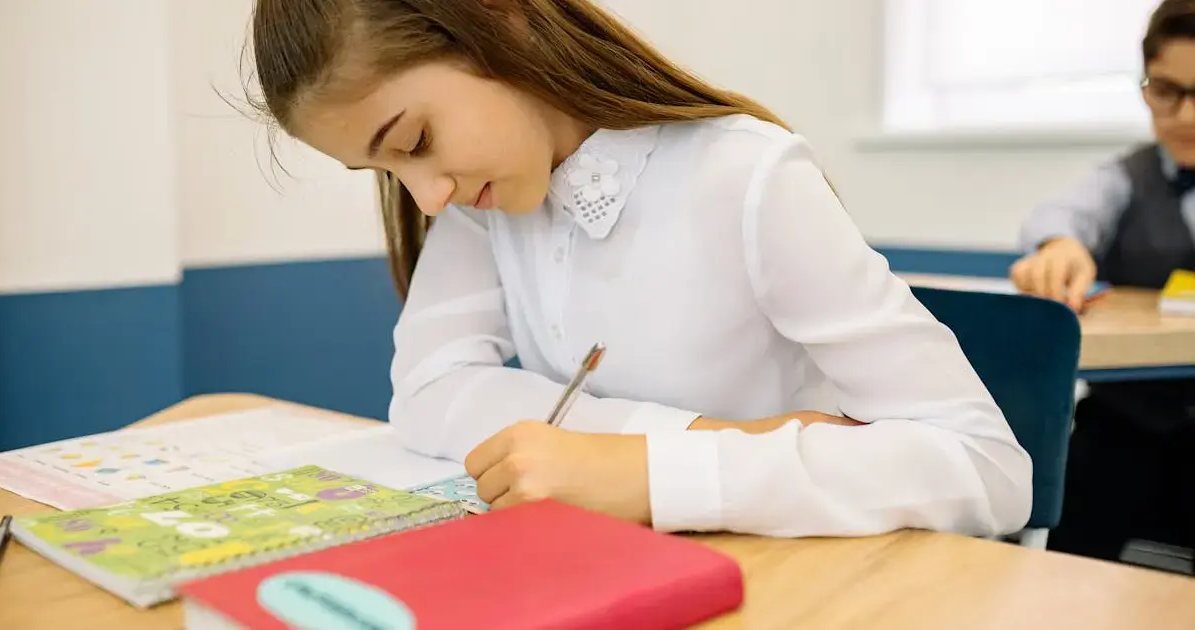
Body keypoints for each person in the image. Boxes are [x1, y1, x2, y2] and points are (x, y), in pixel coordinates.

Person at [247, 0, 1032, 538]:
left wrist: (653, 473)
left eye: (415, 140)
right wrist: (694, 439)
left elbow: (987, 469)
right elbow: (426, 392)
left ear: (499, 18)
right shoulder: (476, 204)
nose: (426, 196)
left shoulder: (744, 177)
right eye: (385, 172)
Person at [1011, 0, 1195, 563]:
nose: (1185, 116)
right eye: (1166, 91)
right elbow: (1061, 215)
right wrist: (1058, 246)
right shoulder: (1124, 177)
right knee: (1081, 496)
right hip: (1128, 423)